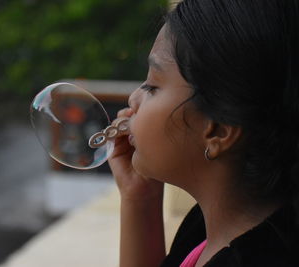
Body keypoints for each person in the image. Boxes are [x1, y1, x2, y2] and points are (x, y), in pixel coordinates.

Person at [108, 0, 299, 266]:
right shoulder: (208, 226)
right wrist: (138, 197)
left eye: (152, 86)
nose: (133, 100)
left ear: (219, 129)